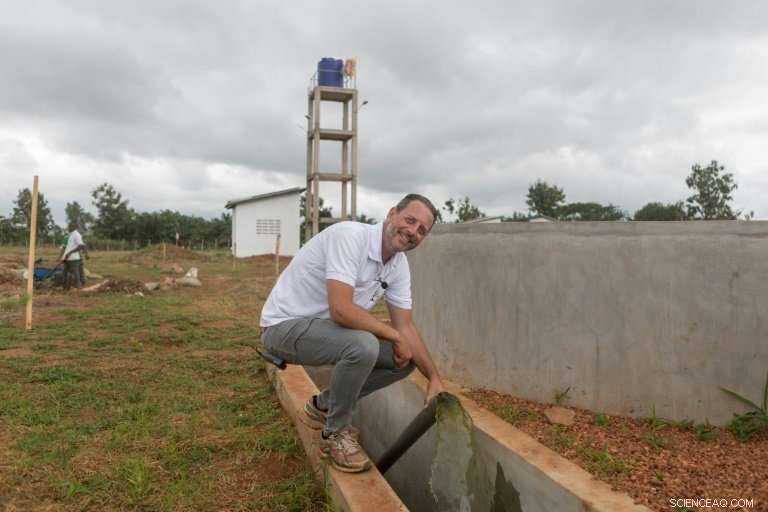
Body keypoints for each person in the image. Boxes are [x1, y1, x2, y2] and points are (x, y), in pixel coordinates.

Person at [260, 194, 445, 473]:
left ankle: (322, 407)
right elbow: (342, 311)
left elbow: (406, 327)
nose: (413, 231)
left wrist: (434, 378)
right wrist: (393, 336)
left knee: (404, 360)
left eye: (422, 230)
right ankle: (335, 434)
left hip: (327, 333)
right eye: (410, 220)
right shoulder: (350, 237)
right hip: (284, 328)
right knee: (363, 345)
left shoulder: (397, 265)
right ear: (392, 213)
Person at [58, 222, 86, 290]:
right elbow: (67, 247)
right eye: (68, 226)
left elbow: (81, 246)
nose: (68, 228)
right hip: (67, 258)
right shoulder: (70, 235)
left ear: (74, 227)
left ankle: (78, 286)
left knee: (76, 272)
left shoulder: (77, 235)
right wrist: (63, 256)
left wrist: (70, 252)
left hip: (74, 258)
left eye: (70, 227)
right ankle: (64, 286)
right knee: (64, 272)